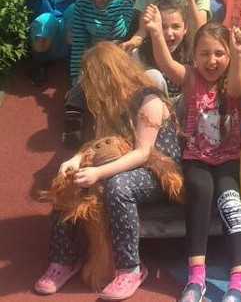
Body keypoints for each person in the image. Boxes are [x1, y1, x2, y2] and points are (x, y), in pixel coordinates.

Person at [35, 43, 181, 299]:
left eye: (91, 77)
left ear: (108, 75)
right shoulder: (108, 106)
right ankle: (63, 259)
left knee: (118, 185)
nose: (87, 85)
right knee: (68, 182)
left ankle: (129, 267)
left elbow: (143, 153)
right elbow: (99, 143)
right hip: (125, 165)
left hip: (159, 171)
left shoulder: (149, 100)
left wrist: (98, 174)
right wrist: (77, 160)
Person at [148, 22, 241, 302]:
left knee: (230, 199)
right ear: (194, 56)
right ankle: (196, 275)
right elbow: (166, 64)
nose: (212, 60)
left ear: (228, 56)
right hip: (197, 158)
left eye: (219, 53)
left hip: (229, 159)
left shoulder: (232, 79)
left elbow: (240, 89)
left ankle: (239, 277)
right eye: (204, 53)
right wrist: (157, 32)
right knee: (199, 189)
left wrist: (240, 53)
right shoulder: (191, 78)